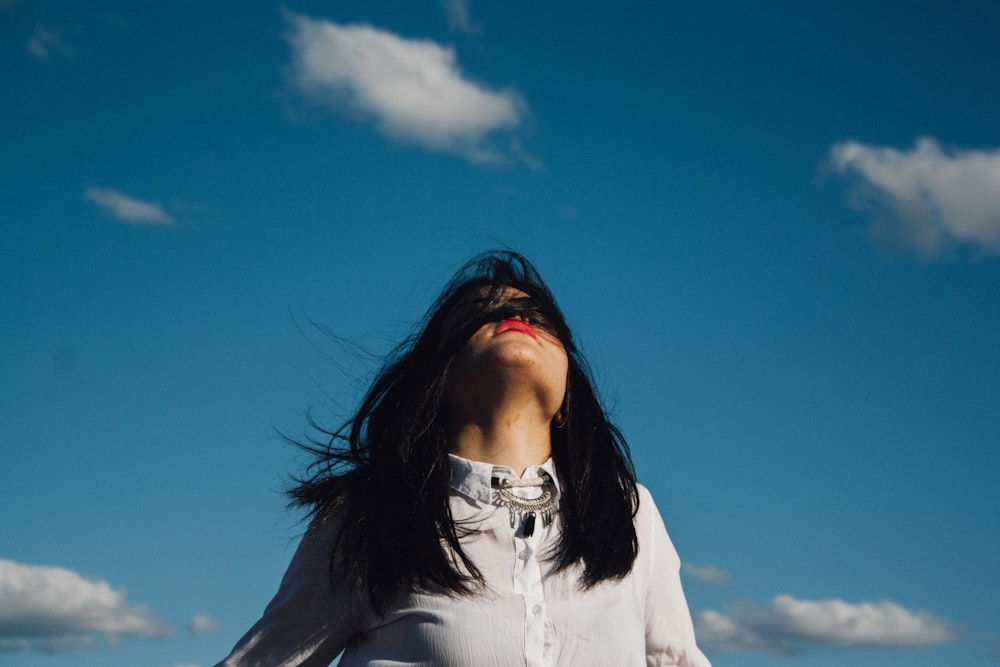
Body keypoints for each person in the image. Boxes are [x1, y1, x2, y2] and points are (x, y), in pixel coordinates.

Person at [216, 251, 711, 667]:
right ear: (440, 379)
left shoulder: (630, 512)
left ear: (567, 404)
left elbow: (675, 659)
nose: (515, 316)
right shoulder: (369, 513)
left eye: (540, 317)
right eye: (481, 315)